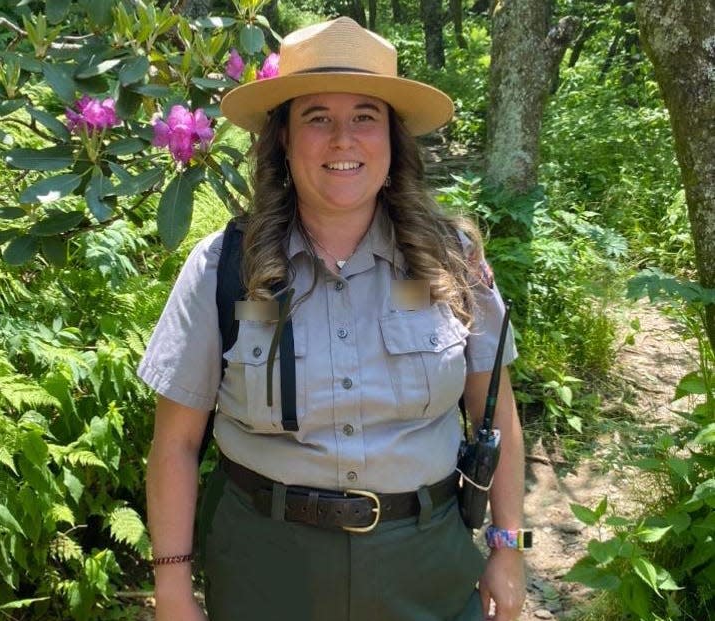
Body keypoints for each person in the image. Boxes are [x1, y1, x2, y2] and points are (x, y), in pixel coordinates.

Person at [139, 16, 527, 621]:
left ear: (393, 140)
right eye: (317, 117)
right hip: (264, 565)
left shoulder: (452, 260)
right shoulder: (225, 265)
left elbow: (493, 411)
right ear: (285, 141)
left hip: (426, 563)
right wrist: (171, 588)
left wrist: (508, 546)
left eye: (365, 117)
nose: (343, 139)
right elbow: (176, 442)